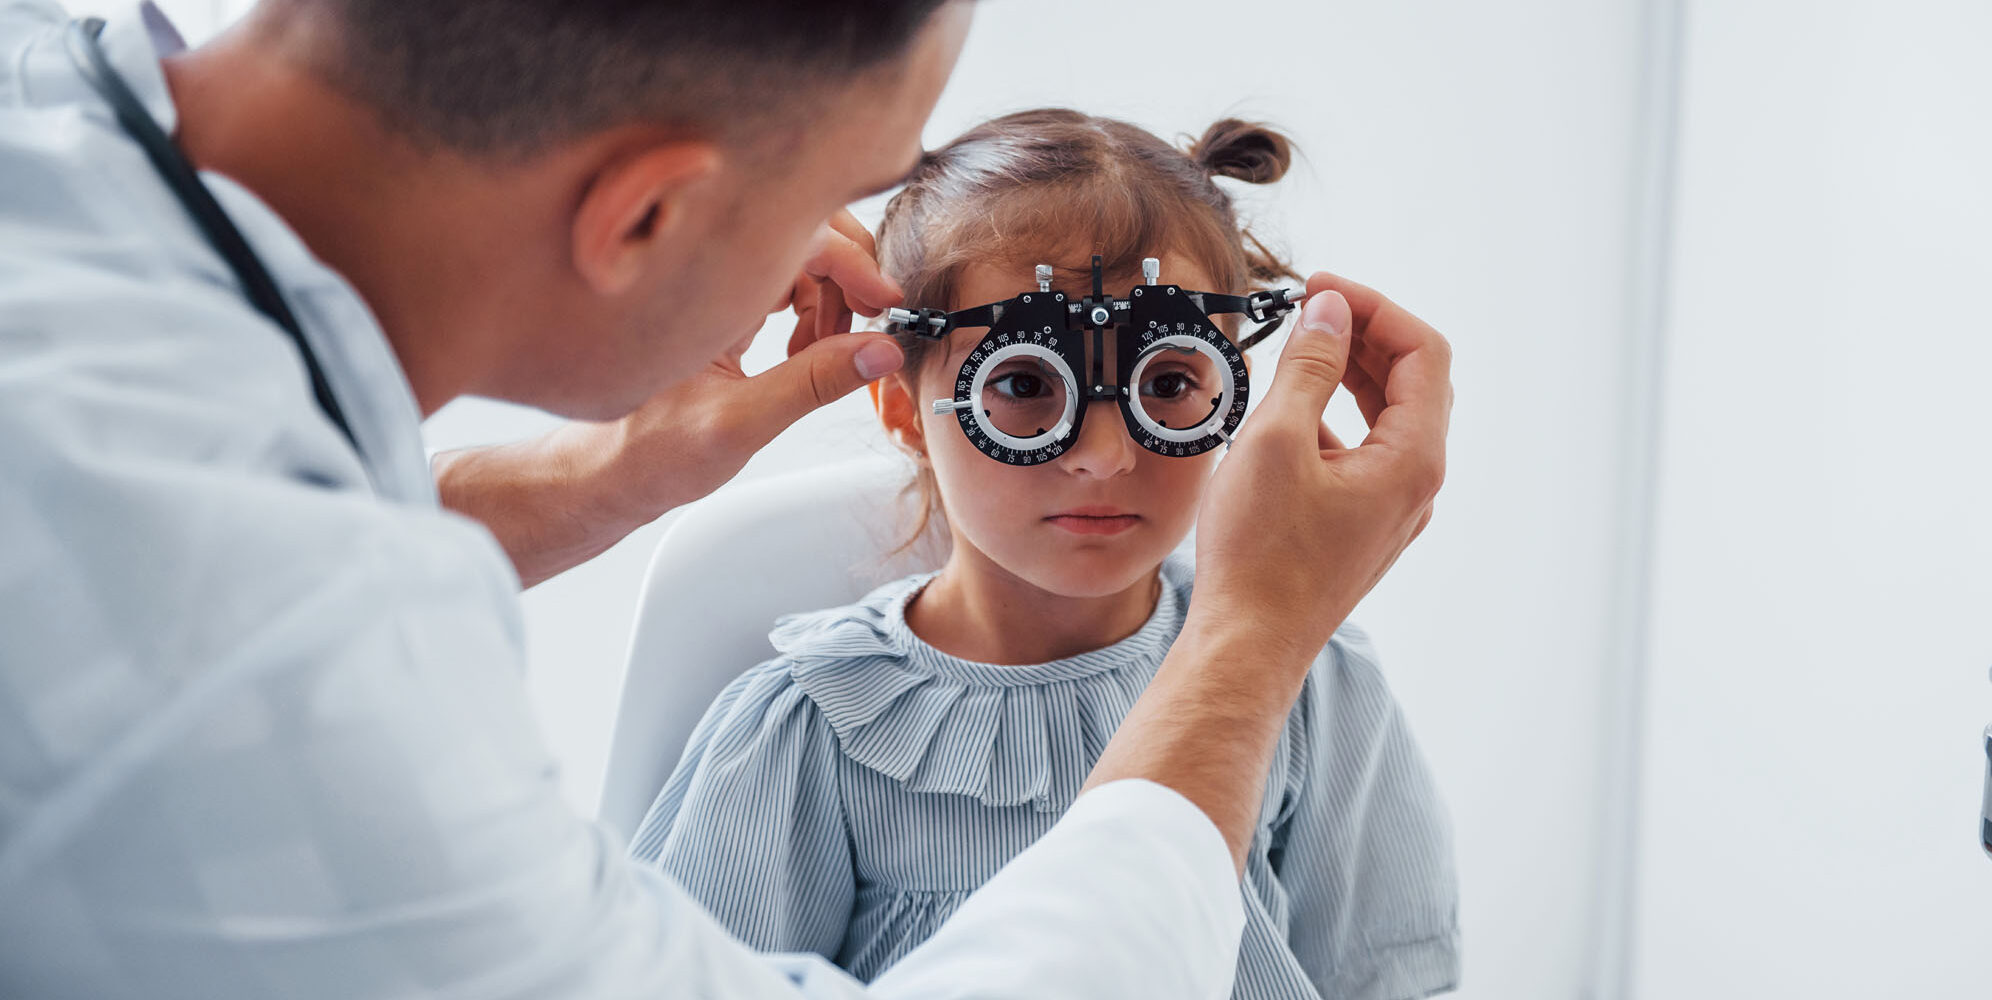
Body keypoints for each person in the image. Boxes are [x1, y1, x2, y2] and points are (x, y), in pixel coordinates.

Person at [0, 1, 1454, 997]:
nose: (846, 260)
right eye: (849, 179)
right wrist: (1250, 649)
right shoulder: (262, 693)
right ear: (646, 214)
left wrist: (602, 480)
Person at [632, 110, 1461, 1000]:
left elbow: (1394, 978)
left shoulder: (1313, 677)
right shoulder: (814, 729)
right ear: (905, 411)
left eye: (1169, 382)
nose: (1104, 454)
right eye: (1024, 383)